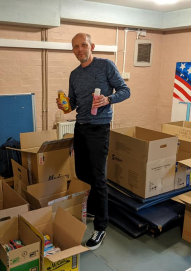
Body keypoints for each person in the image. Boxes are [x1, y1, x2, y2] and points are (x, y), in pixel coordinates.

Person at [57, 33, 130, 250]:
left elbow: (126, 91)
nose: (80, 49)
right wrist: (65, 106)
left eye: (83, 45)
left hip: (100, 129)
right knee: (82, 174)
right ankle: (92, 209)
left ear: (92, 46)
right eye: (75, 47)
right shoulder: (74, 74)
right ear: (73, 50)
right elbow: (73, 104)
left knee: (98, 178)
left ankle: (101, 227)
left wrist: (108, 99)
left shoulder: (106, 66)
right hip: (81, 127)